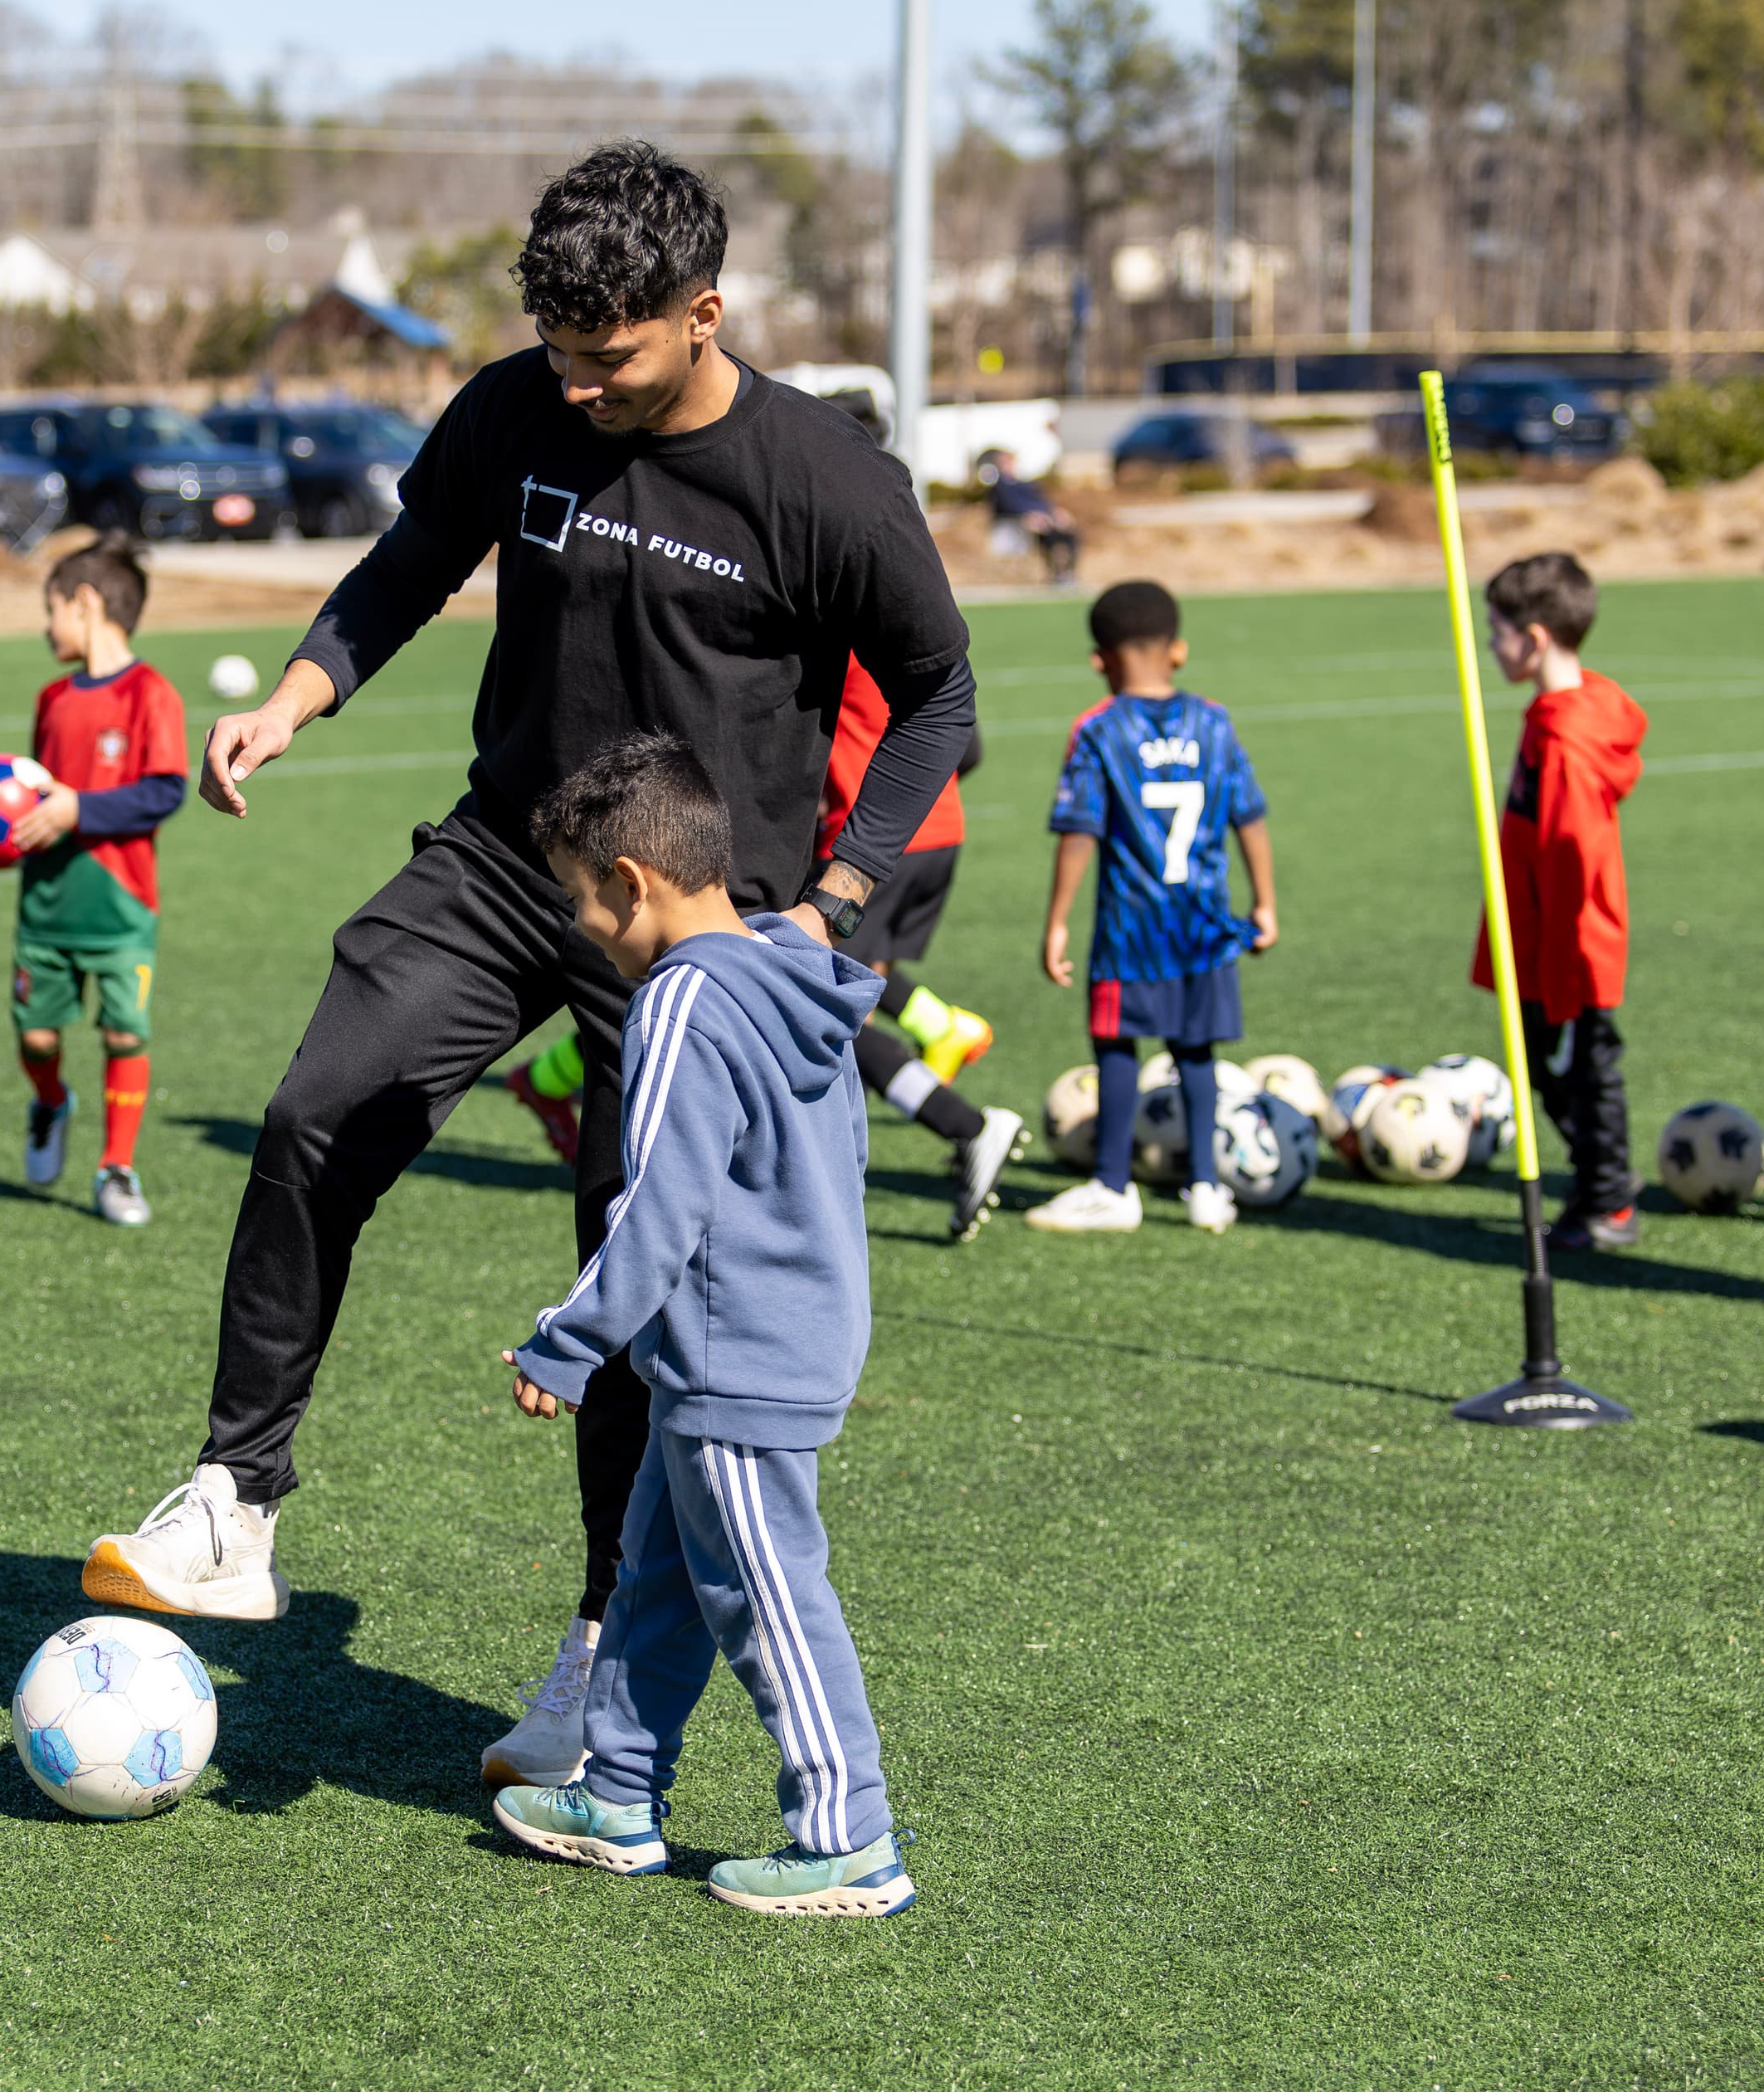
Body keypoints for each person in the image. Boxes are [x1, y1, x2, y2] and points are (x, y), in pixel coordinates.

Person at [77, 144, 976, 1797]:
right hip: (507, 853)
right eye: (557, 347)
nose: (578, 379)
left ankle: (589, 1660)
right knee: (316, 1109)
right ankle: (232, 1500)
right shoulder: (519, 406)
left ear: (706, 311)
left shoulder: (826, 479)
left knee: (638, 1284)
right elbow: (412, 559)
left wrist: (838, 902)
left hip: (701, 924)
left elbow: (939, 702)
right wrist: (297, 694)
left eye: (610, 355)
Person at [490, 734, 914, 1919]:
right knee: (657, 1583)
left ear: (632, 880)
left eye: (582, 899)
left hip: (743, 1355)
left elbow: (658, 1208)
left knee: (771, 1597)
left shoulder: (682, 1000)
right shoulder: (790, 972)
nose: (581, 927)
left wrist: (566, 1343)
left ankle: (849, 1837)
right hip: (757, 1341)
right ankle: (619, 1795)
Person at [501, 655, 1025, 1240]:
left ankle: (965, 1125)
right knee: (822, 984)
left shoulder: (835, 641)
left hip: (859, 844)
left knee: (806, 1003)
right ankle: (942, 1033)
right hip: (930, 828)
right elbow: (965, 745)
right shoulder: (905, 638)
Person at [1028, 579, 1277, 1234]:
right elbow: (1249, 816)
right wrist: (1267, 903)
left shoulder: (1099, 729)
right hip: (1204, 926)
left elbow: (1080, 831)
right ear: (1179, 652)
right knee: (1195, 1051)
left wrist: (1056, 922)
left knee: (1116, 1043)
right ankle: (1204, 1186)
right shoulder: (1214, 721)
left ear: (1100, 659)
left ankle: (1113, 1185)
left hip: (1131, 930)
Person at [7, 532, 189, 1226]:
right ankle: (51, 1101)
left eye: (49, 608)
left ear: (84, 604)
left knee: (123, 1035)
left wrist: (76, 809)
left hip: (121, 909)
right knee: (37, 1040)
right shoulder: (52, 699)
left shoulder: (152, 694)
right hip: (46, 905)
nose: (44, 625)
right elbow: (30, 794)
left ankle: (117, 1167)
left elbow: (165, 791)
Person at [1472, 552, 1649, 1250]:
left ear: (1535, 638)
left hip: (1570, 947)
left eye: (1498, 631)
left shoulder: (1570, 740)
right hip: (1541, 937)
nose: (1490, 645)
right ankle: (1603, 1180)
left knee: (1582, 1069)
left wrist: (1569, 959)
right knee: (1550, 1065)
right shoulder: (1554, 715)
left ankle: (1609, 1202)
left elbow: (1577, 858)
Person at [980, 447, 1080, 584]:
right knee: (1047, 536)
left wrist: (1055, 514)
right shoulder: (1000, 485)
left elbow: (1041, 502)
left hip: (1044, 522)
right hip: (1022, 525)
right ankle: (1055, 573)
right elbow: (1008, 506)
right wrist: (1028, 516)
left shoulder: (1024, 484)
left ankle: (1065, 574)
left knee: (1069, 536)